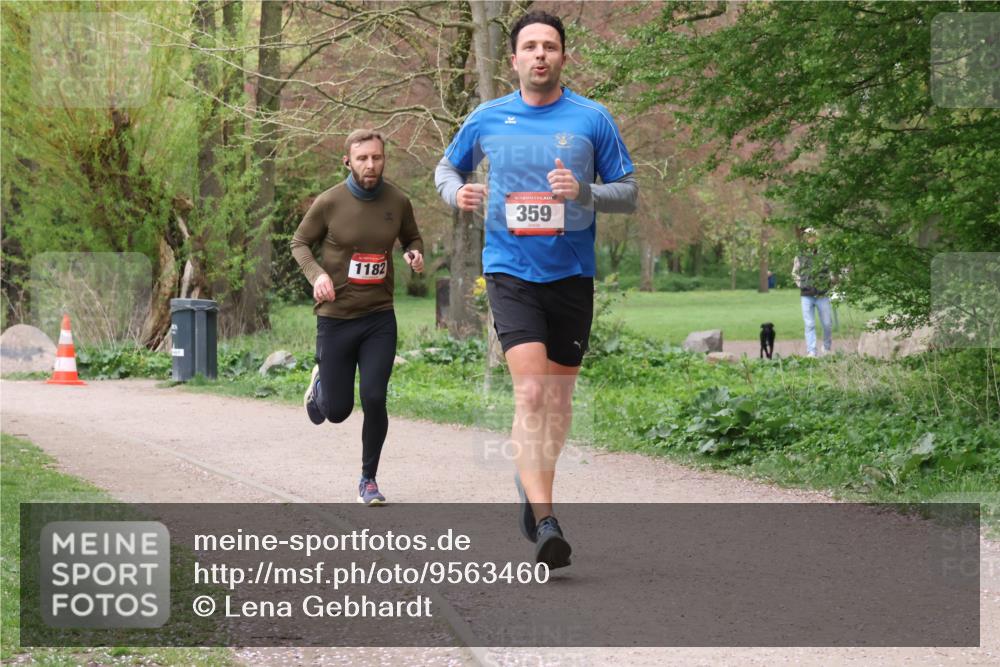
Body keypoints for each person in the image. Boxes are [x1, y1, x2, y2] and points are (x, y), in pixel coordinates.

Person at [435, 10, 638, 569]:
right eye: (530, 46)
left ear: (564, 57)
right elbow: (446, 170)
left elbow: (629, 192)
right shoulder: (488, 117)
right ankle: (547, 521)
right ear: (514, 59)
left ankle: (532, 480)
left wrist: (585, 192)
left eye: (550, 46)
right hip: (510, 272)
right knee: (530, 394)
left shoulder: (592, 119)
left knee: (558, 400)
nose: (540, 54)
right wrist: (457, 194)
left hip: (571, 276)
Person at [291, 129, 424, 505]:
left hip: (378, 317)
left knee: (375, 396)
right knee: (337, 412)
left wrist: (414, 253)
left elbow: (412, 238)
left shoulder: (397, 201)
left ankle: (369, 480)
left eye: (376, 157)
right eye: (362, 158)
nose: (370, 164)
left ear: (384, 159)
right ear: (347, 161)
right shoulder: (330, 202)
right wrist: (317, 275)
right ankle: (320, 385)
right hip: (335, 318)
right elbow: (299, 243)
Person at [792, 227, 834, 357]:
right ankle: (811, 351)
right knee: (809, 324)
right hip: (806, 295)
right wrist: (801, 284)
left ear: (816, 237)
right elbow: (794, 273)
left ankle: (826, 348)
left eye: (811, 235)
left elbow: (832, 271)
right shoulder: (800, 255)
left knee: (827, 324)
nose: (809, 238)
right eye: (806, 236)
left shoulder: (826, 254)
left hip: (822, 294)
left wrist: (831, 283)